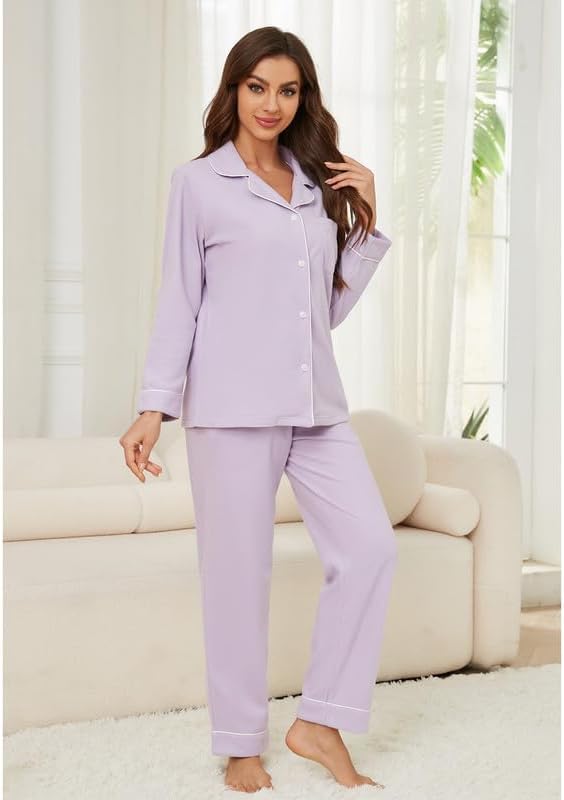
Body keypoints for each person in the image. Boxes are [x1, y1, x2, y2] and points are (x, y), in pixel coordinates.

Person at [119, 25, 397, 794]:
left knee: (370, 548)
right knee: (238, 580)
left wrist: (365, 223)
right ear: (234, 89)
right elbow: (179, 300)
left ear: (303, 98)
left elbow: (322, 314)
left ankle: (320, 721)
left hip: (315, 408)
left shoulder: (315, 185)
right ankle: (241, 742)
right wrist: (153, 406)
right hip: (231, 408)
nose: (271, 104)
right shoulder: (198, 184)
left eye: (288, 90)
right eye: (257, 87)